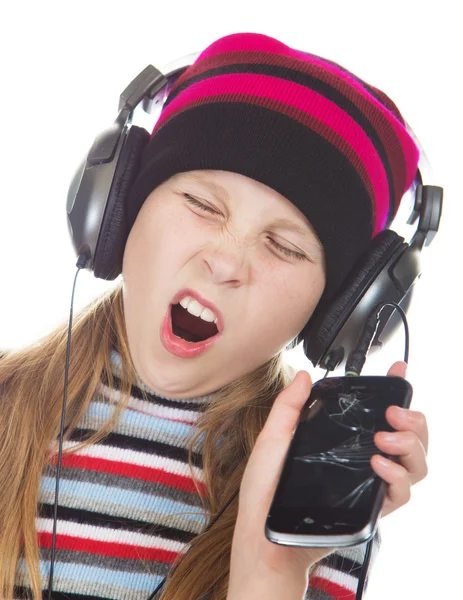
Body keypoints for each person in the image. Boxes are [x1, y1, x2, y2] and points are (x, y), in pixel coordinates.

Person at [0, 32, 430, 600]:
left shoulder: (316, 504)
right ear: (116, 210)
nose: (226, 262)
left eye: (284, 245)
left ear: (340, 310)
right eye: (203, 205)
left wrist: (272, 571)